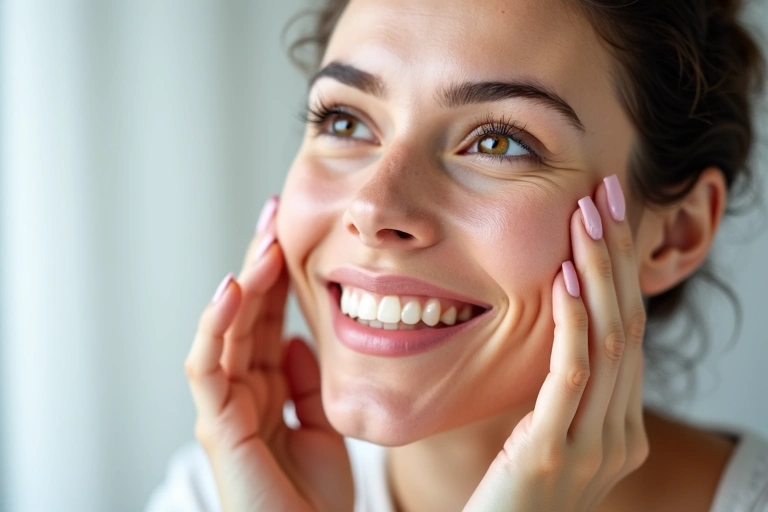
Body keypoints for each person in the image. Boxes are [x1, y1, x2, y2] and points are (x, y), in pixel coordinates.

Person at [146, 0, 768, 510]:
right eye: (345, 122)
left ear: (675, 233)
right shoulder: (224, 488)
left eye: (498, 141)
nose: (374, 208)